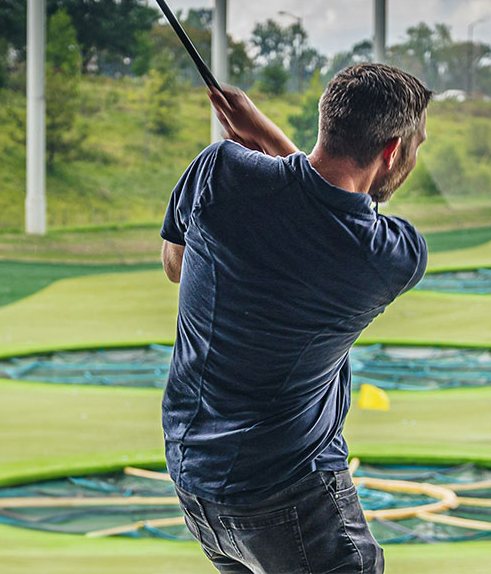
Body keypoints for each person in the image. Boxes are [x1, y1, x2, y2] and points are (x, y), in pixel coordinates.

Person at [159, 63, 431, 574]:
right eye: (417, 146)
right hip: (294, 495)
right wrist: (268, 136)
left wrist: (261, 145)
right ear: (392, 149)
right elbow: (327, 211)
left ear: (328, 120)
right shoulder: (390, 256)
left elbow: (176, 266)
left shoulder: (218, 170)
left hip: (197, 483)